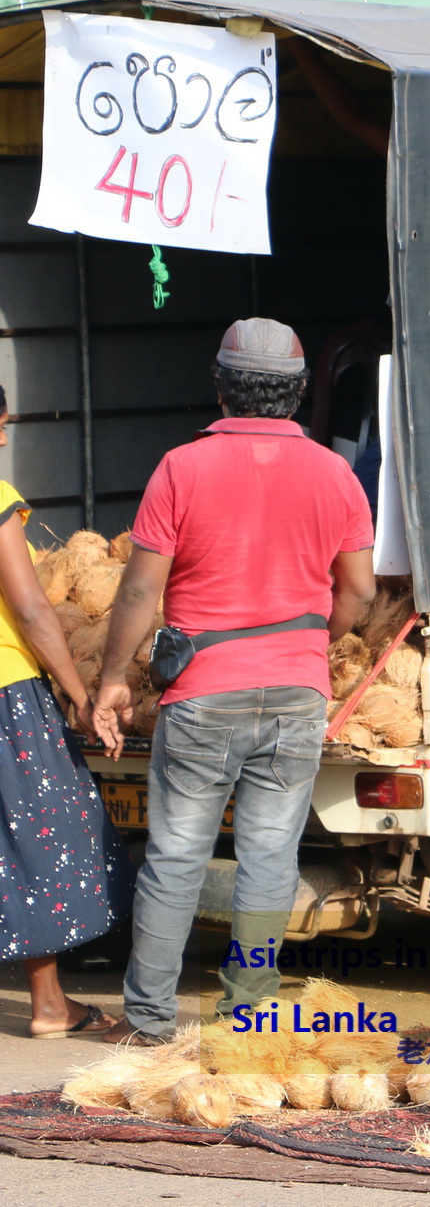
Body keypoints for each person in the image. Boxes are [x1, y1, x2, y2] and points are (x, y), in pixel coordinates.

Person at [99, 319, 377, 1045]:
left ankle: (151, 1020)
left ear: (220, 387)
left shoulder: (180, 468)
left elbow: (137, 594)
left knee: (177, 854)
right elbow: (358, 592)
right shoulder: (335, 474)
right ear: (295, 394)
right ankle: (248, 1014)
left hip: (203, 691)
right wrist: (314, 642)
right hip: (296, 690)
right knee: (269, 856)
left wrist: (109, 681)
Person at [0, 383, 130, 1036]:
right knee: (40, 833)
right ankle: (51, 1003)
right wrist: (80, 696)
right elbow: (29, 608)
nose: (2, 440)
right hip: (5, 695)